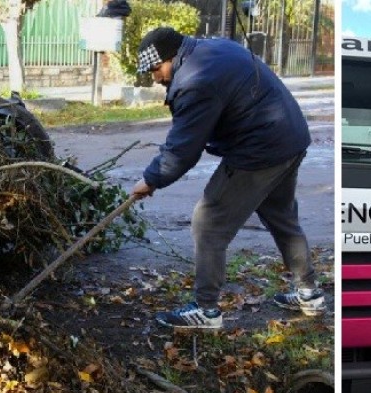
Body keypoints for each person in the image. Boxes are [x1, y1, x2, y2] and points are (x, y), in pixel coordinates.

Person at [131, 27, 324, 330]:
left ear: (171, 57)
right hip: (290, 138)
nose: (155, 77)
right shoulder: (215, 48)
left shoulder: (195, 81)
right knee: (282, 217)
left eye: (156, 68)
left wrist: (152, 179)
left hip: (260, 150)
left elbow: (183, 149)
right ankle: (309, 294)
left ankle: (206, 311)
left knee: (208, 223)